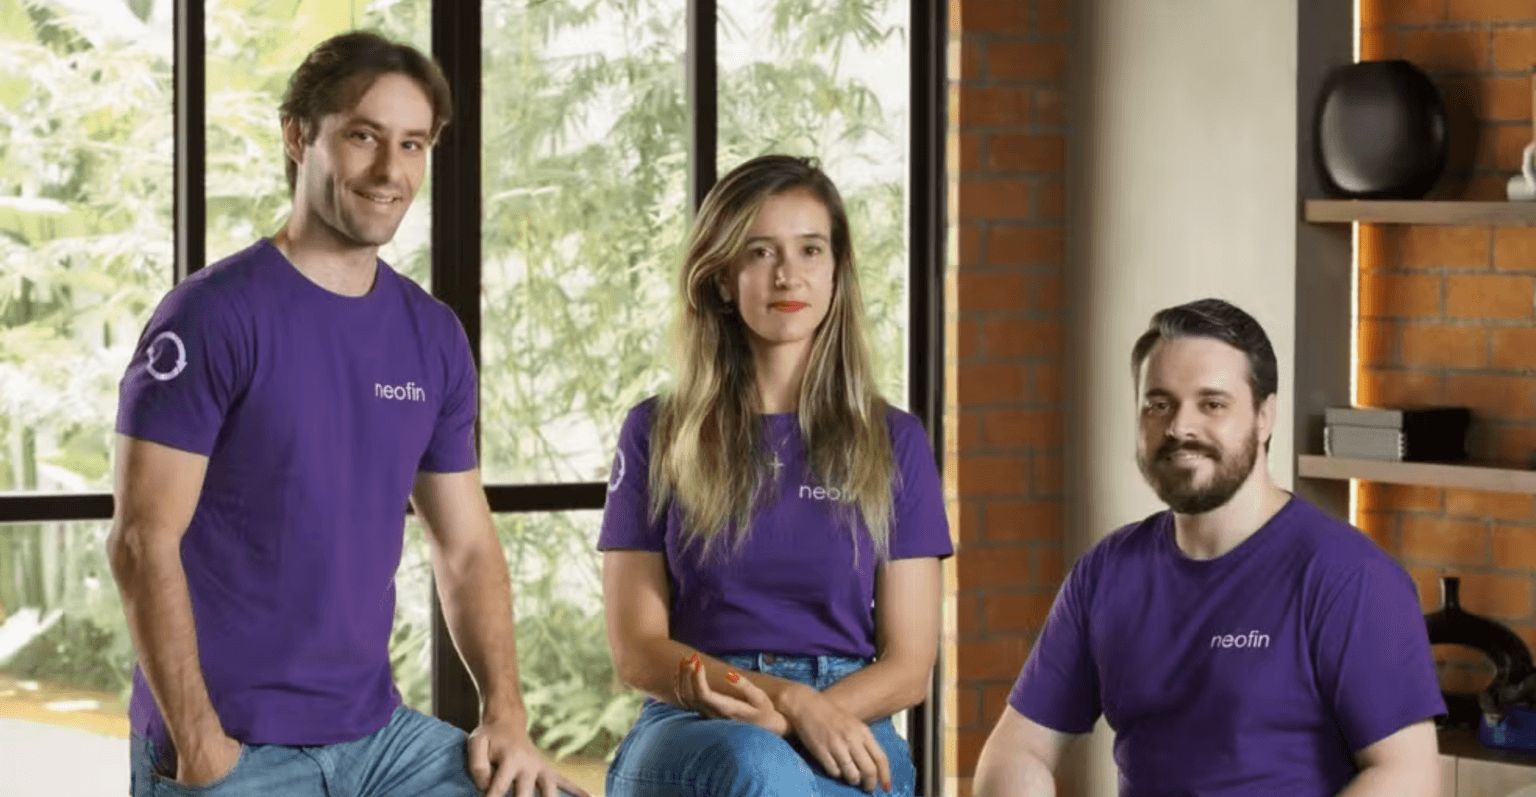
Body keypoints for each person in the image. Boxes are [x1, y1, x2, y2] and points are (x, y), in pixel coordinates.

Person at [108, 31, 585, 797]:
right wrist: (202, 749)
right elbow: (141, 541)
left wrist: (505, 713)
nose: (391, 171)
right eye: (364, 136)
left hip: (377, 738)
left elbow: (466, 547)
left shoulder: (431, 335)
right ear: (299, 137)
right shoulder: (210, 316)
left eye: (413, 144)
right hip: (233, 748)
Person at [972, 298, 1447, 796]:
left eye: (1212, 404)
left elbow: (1409, 777)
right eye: (1159, 404)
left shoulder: (1351, 577)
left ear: (1265, 416)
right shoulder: (1107, 572)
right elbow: (1017, 751)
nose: (1180, 427)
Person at [597, 154, 953, 797]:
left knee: (832, 773)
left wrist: (801, 715)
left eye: (810, 249)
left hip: (850, 710)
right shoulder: (657, 431)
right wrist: (788, 700)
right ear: (722, 278)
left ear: (836, 271)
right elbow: (637, 649)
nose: (787, 274)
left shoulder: (894, 441)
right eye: (760, 252)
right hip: (695, 715)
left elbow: (908, 667)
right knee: (759, 768)